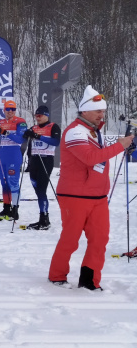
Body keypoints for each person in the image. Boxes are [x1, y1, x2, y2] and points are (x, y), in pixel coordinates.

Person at [48, 87, 133, 290]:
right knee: (71, 238)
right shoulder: (74, 131)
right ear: (84, 111)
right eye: (97, 111)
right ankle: (57, 275)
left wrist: (123, 145)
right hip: (74, 195)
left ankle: (89, 280)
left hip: (98, 196)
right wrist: (120, 145)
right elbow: (89, 158)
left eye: (103, 111)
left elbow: (99, 161)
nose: (101, 115)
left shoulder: (94, 132)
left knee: (99, 239)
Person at [22, 104, 60, 230]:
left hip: (46, 160)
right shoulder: (34, 127)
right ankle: (43, 218)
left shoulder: (53, 126)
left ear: (46, 116)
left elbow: (56, 142)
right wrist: (27, 134)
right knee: (37, 190)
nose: (37, 118)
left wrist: (39, 136)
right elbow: (29, 145)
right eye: (36, 115)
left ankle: (44, 220)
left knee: (42, 190)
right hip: (34, 161)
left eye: (40, 115)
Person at [0, 100, 28, 221]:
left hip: (14, 154)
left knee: (13, 184)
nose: (10, 112)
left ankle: (15, 210)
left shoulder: (20, 122)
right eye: (8, 109)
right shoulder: (1, 121)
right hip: (3, 155)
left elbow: (20, 140)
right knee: (4, 183)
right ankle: (6, 208)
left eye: (13, 109)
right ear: (4, 110)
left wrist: (6, 133)